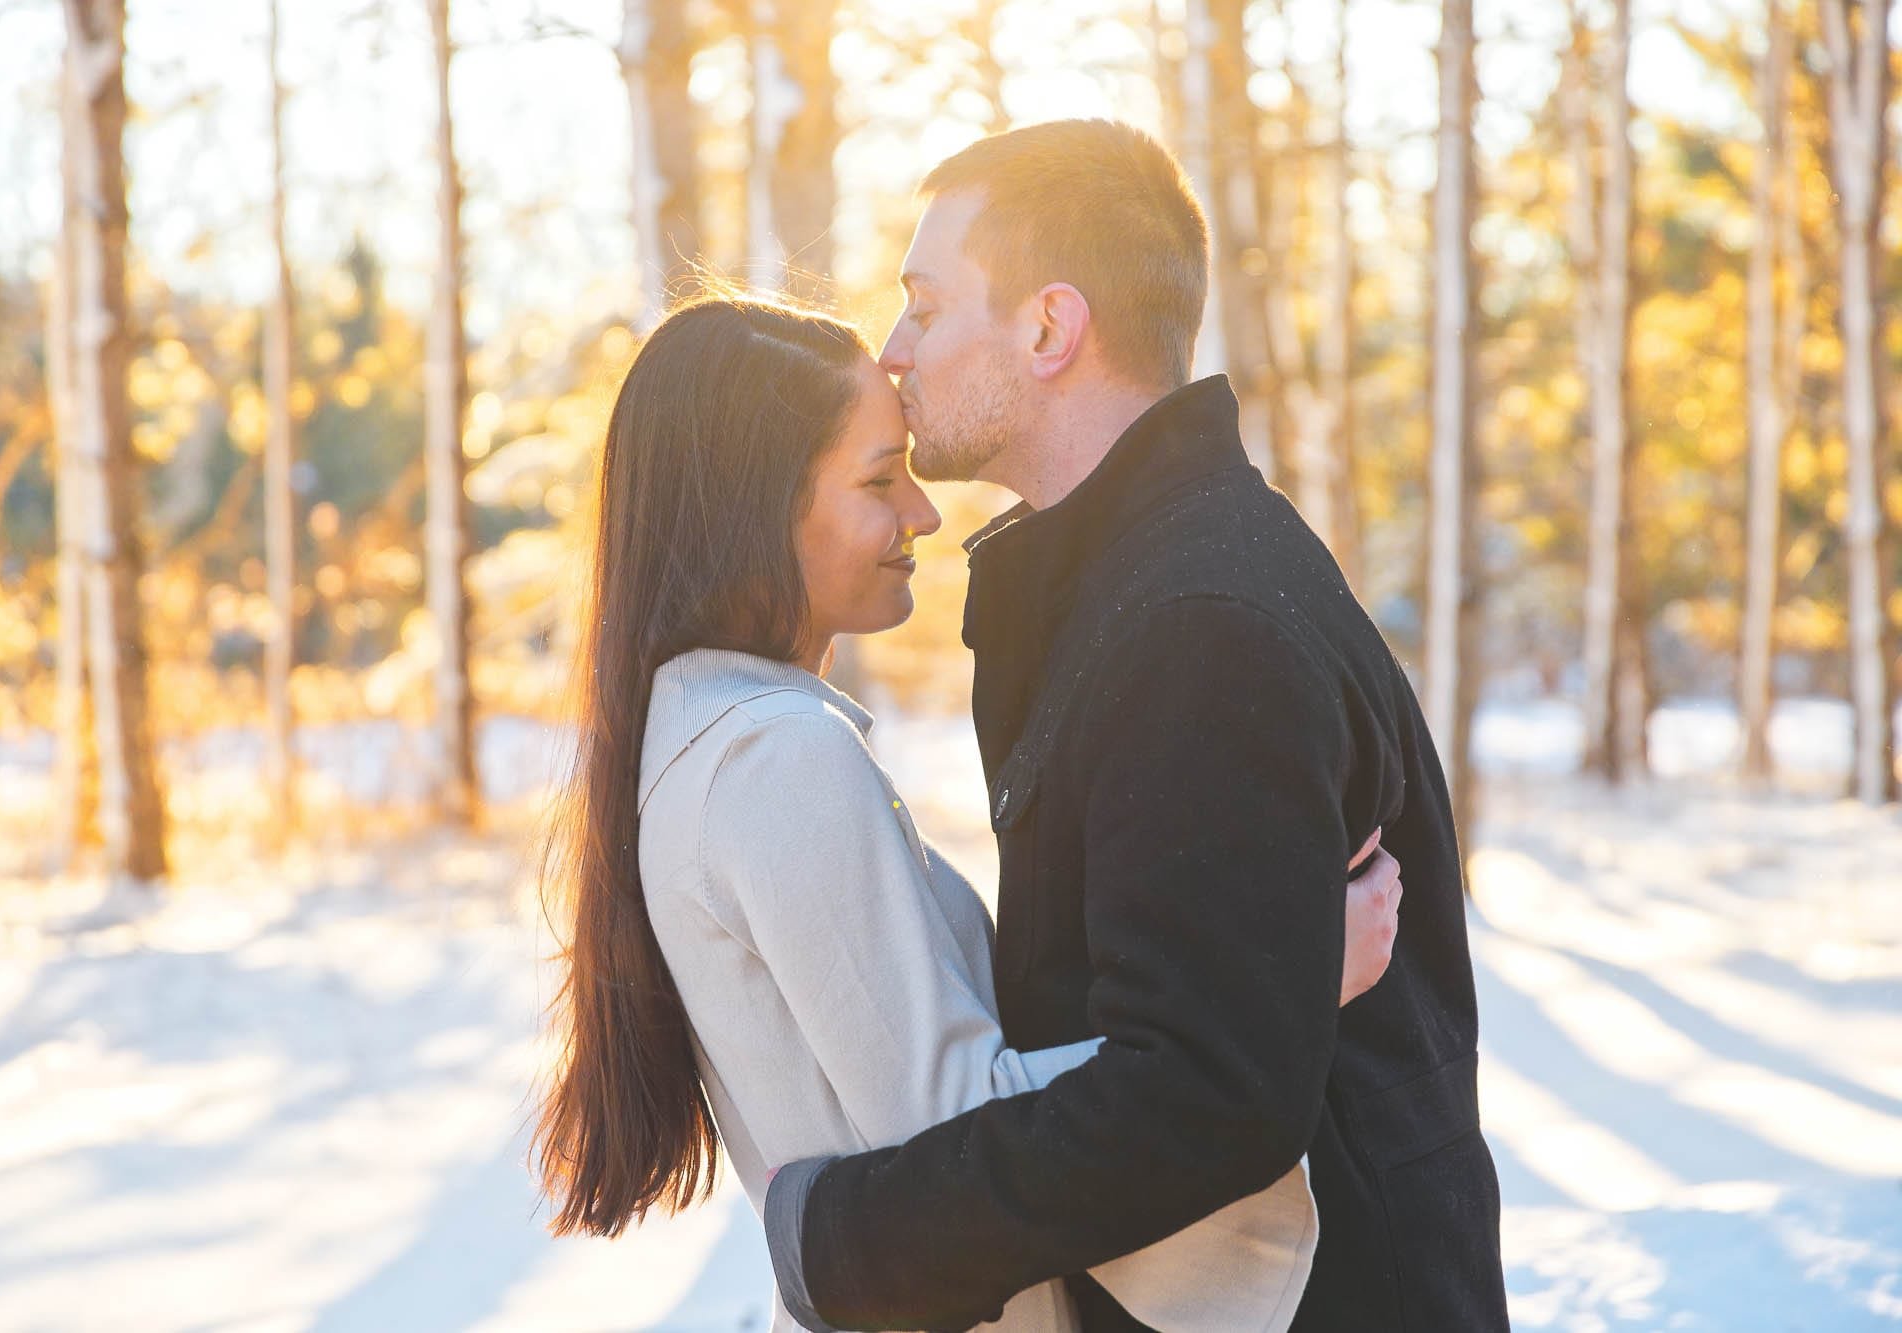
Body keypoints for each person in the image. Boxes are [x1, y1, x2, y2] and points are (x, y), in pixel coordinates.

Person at [527, 294, 1409, 1331]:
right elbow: (954, 1122)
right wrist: (1280, 986)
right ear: (751, 508)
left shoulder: (702, 732)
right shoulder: (773, 757)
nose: (922, 513)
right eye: (875, 477)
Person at [760, 119, 1511, 1333]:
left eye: (925, 304)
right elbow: (1151, 1006)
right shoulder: (1135, 583)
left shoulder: (1193, 624)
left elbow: (1198, 1094)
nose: (892, 351)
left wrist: (851, 1239)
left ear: (1049, 328)